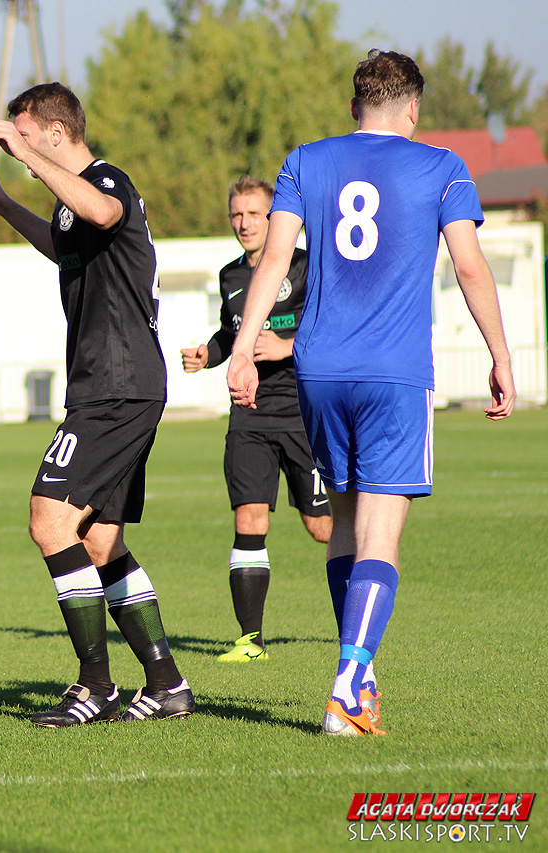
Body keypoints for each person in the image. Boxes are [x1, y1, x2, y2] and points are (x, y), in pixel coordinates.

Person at [226, 50, 515, 736]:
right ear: (412, 109)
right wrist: (500, 356)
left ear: (355, 107)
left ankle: (359, 675)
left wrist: (242, 347)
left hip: (320, 372)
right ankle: (349, 685)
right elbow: (470, 267)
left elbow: (272, 258)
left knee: (347, 528)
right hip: (393, 373)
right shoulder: (442, 167)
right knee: (381, 533)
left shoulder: (305, 161)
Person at [0, 82, 192, 727]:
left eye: (24, 133)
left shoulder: (107, 180)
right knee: (99, 541)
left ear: (55, 132)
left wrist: (29, 161)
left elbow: (101, 214)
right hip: (113, 382)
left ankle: (95, 686)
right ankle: (168, 683)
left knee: (49, 519)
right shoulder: (75, 197)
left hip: (117, 384)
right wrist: (6, 205)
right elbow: (67, 242)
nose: (17, 144)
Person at [180, 177, 332, 662]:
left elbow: (330, 330)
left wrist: (288, 347)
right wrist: (211, 353)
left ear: (275, 217)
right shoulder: (230, 277)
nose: (244, 223)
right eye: (236, 215)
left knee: (323, 528)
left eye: (253, 214)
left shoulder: (308, 266)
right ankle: (250, 641)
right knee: (250, 519)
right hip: (249, 416)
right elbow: (232, 333)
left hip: (303, 414)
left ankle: (359, 619)